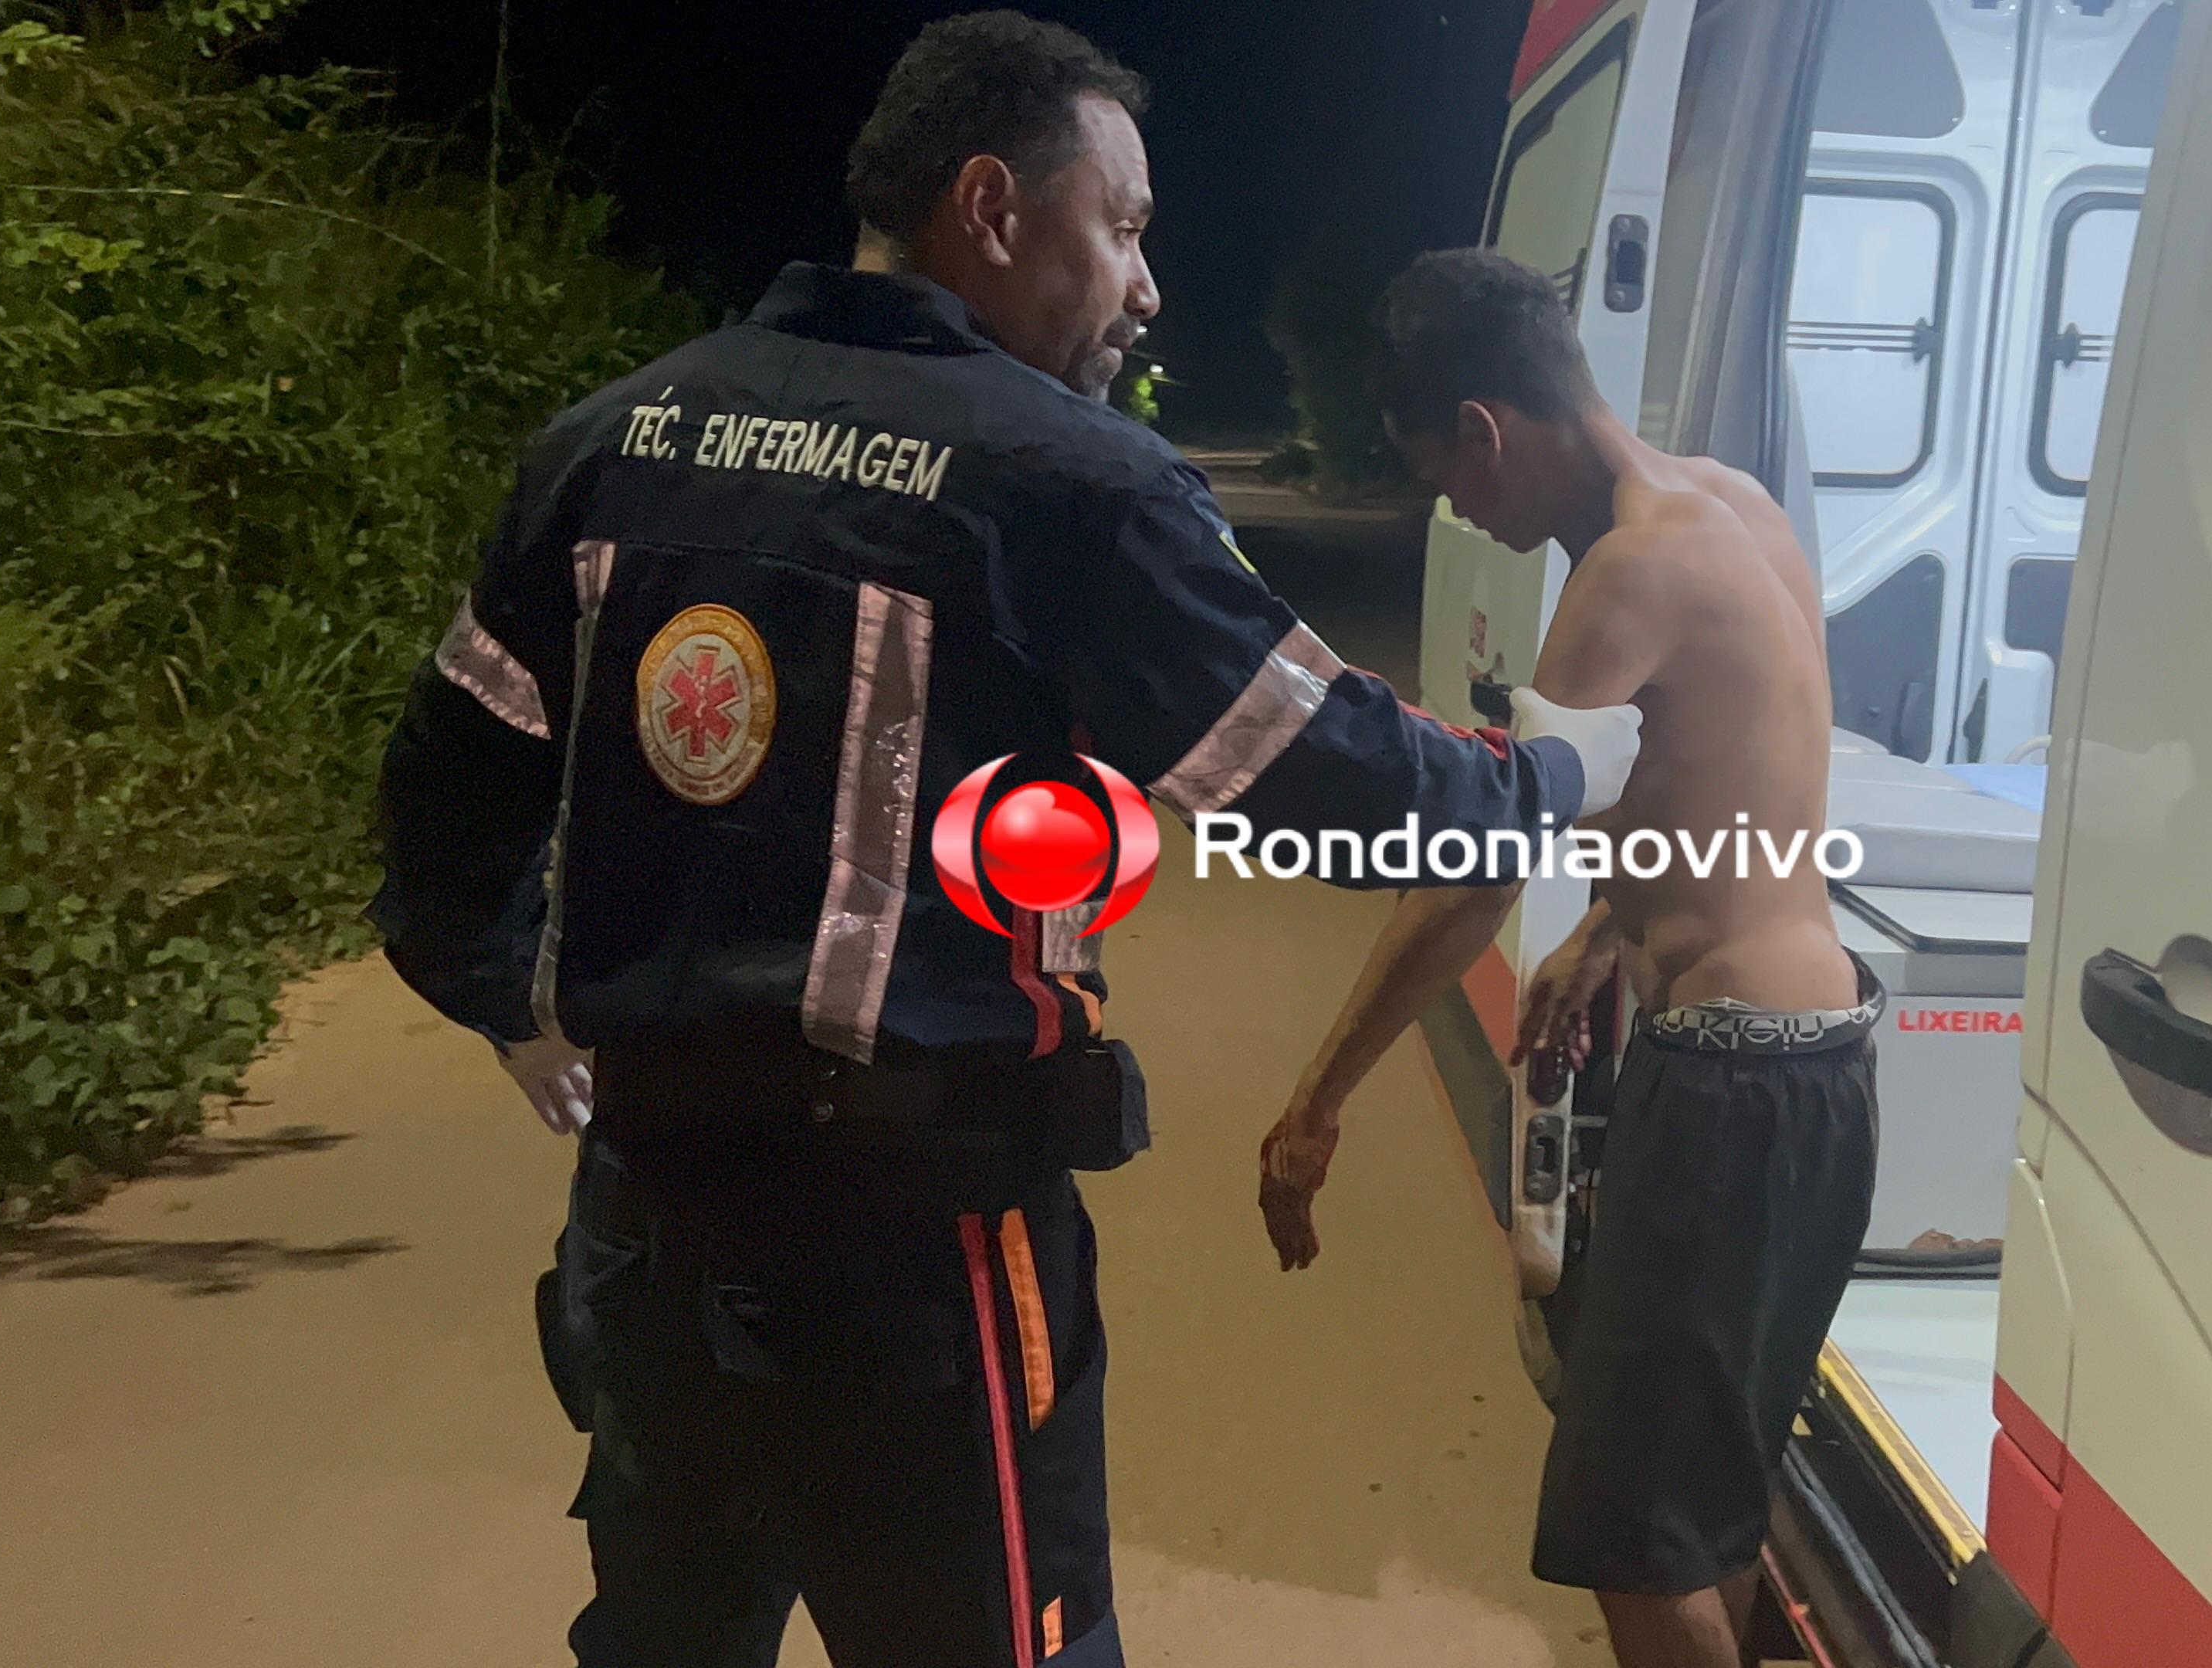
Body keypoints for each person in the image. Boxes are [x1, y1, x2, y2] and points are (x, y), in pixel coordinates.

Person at [371, 19, 1641, 1667]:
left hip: (647, 1229)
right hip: (915, 1261)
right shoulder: (1065, 481)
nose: (1147, 287)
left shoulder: (611, 446)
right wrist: (1562, 769)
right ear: (989, 208)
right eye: (1123, 228)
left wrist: (516, 1007)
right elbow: (1345, 788)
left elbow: (443, 802)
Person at [1256, 249, 1878, 1668]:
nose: (1460, 511)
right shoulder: (1740, 510)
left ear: (1485, 429)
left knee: (1630, 1539)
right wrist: (1607, 930)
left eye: (1447, 478)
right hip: (1823, 1067)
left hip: (1727, 1089)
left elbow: (1473, 873)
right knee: (1706, 1507)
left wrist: (1317, 1101)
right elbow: (1755, 773)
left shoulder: (1623, 578)